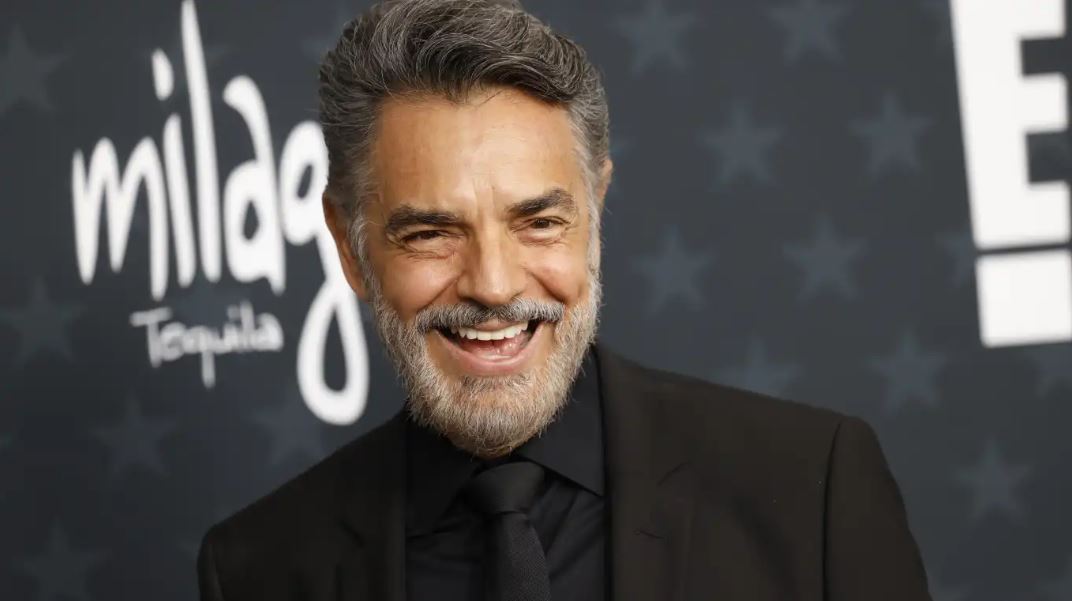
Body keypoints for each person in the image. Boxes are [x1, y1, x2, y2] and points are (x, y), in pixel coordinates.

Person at [196, 0, 933, 599]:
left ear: (596, 211)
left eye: (539, 222)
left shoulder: (810, 492)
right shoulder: (259, 570)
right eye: (431, 233)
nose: (493, 284)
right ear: (349, 246)